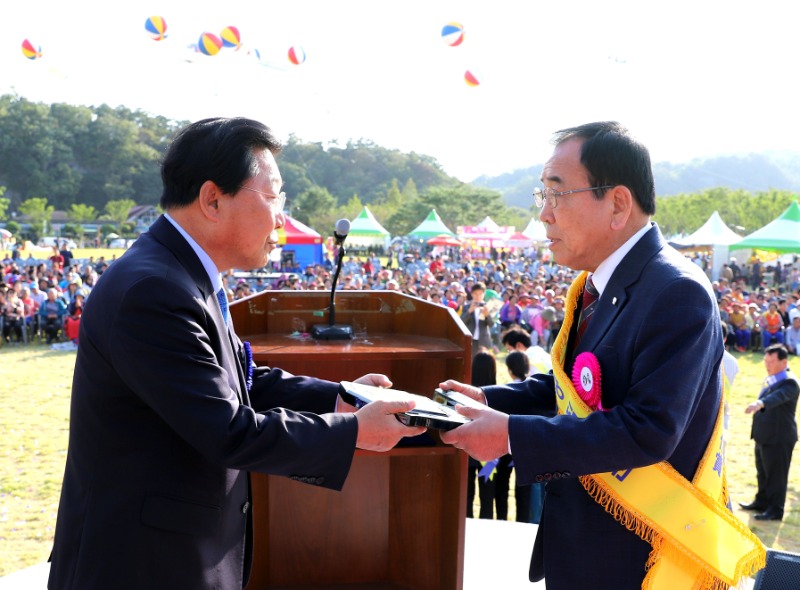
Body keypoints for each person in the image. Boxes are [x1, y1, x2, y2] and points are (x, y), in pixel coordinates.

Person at [48, 117, 425, 590]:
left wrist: (342, 398)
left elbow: (240, 382)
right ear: (213, 200)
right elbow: (228, 429)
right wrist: (353, 432)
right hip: (140, 563)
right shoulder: (155, 290)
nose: (281, 218)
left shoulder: (181, 274)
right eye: (273, 197)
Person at [439, 122, 764, 589]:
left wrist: (510, 435)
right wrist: (488, 401)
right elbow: (575, 387)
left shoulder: (676, 291)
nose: (544, 215)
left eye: (557, 194)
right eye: (542, 196)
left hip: (637, 561)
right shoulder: (599, 282)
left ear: (617, 204)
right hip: (583, 550)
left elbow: (648, 429)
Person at [741, 344, 799, 521]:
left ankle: (775, 509)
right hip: (764, 435)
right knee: (763, 472)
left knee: (776, 476)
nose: (767, 365)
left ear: (784, 362)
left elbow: (777, 397)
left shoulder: (790, 382)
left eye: (771, 362)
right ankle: (762, 501)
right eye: (765, 361)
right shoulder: (773, 378)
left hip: (779, 437)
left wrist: (760, 404)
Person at [466, 351, 497, 519]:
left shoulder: (465, 395)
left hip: (467, 451)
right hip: (489, 456)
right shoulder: (498, 396)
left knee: (466, 496)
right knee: (487, 497)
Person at [460, 281, 494, 356]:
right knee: (471, 360)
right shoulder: (466, 307)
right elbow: (461, 322)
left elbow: (491, 324)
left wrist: (487, 315)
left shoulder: (488, 306)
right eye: (475, 293)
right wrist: (469, 311)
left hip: (483, 340)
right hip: (470, 340)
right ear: (472, 294)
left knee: (483, 361)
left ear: (484, 294)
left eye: (480, 293)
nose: (478, 296)